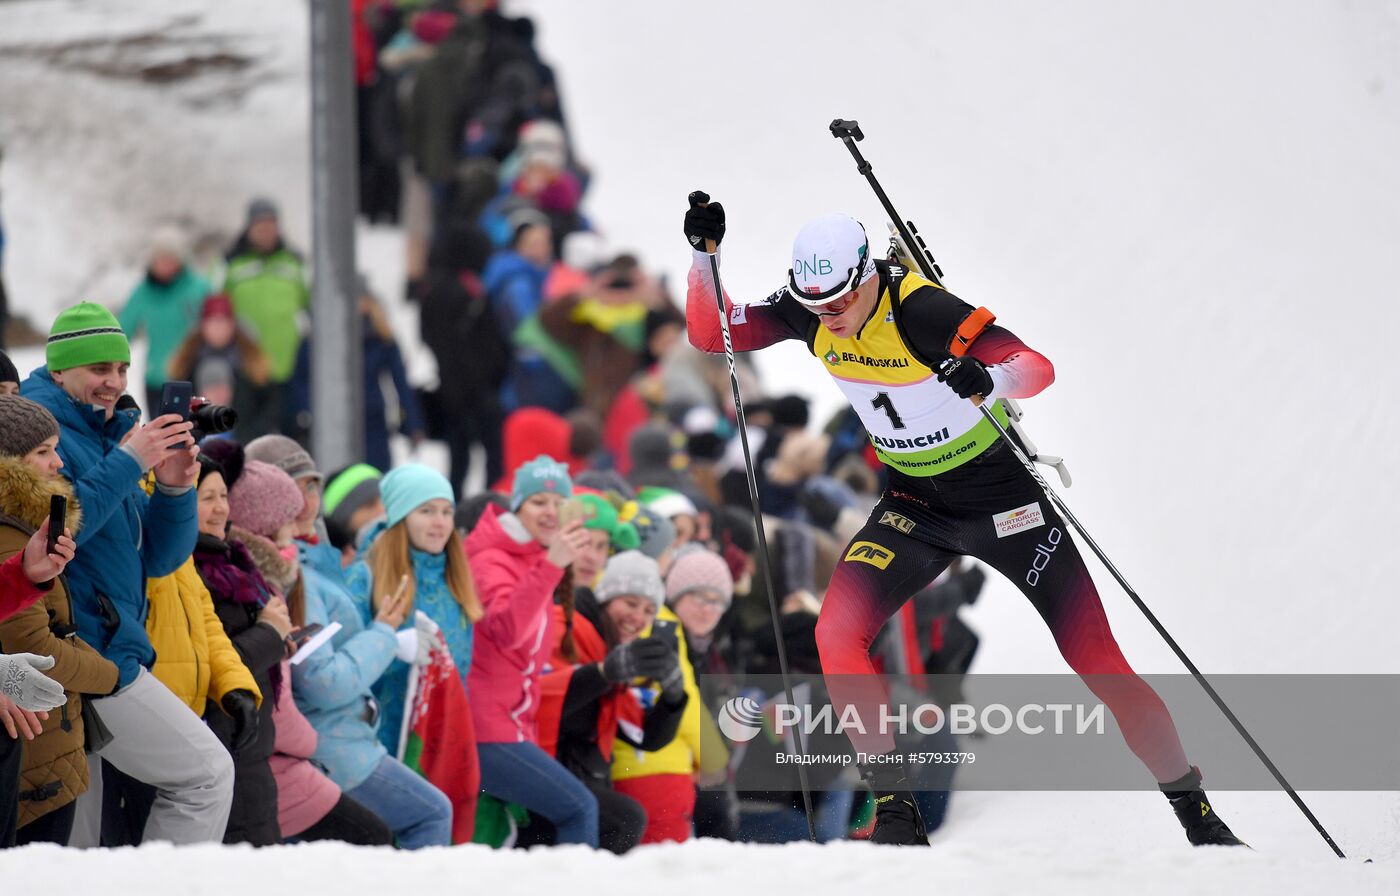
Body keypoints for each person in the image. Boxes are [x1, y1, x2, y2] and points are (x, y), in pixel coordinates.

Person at [681, 192, 1243, 847]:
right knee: (837, 635)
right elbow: (709, 331)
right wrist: (702, 258)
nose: (827, 318)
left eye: (838, 301)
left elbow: (1036, 368)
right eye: (814, 304)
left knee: (1098, 660)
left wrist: (988, 379)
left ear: (866, 274)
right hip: (918, 508)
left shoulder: (920, 309)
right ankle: (896, 810)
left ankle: (1196, 814)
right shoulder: (810, 310)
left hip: (1007, 505)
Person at [21, 302, 234, 847]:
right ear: (60, 369)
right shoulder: (37, 432)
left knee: (76, 845)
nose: (113, 382)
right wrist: (129, 461)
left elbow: (158, 559)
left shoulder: (111, 433)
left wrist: (174, 488)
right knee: (206, 774)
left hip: (103, 651)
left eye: (120, 369)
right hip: (81, 652)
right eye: (99, 370)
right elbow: (53, 528)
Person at [464, 455, 600, 847]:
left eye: (560, 504)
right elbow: (508, 630)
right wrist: (552, 566)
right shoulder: (492, 558)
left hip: (512, 725)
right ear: (517, 506)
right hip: (486, 730)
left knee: (542, 825)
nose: (551, 512)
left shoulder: (534, 559)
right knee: (579, 808)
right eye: (539, 502)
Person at [0, 394, 116, 846]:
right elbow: (35, 643)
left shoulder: (28, 525)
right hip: (37, 735)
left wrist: (25, 575)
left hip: (47, 733)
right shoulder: (11, 531)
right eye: (43, 452)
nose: (58, 462)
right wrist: (111, 674)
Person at [533, 550, 688, 853]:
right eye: (630, 604)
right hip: (539, 777)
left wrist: (672, 696)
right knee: (624, 818)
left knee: (625, 817)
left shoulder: (613, 647)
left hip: (582, 779)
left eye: (648, 610)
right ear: (605, 599)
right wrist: (603, 673)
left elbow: (643, 734)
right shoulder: (565, 625)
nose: (638, 618)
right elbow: (539, 703)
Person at [344, 464, 482, 754]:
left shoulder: (455, 576)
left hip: (441, 742)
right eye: (427, 511)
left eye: (446, 512)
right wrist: (390, 647)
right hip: (381, 743)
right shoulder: (366, 576)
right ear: (400, 518)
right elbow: (342, 663)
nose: (440, 522)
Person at [612, 545, 734, 844]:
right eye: (699, 596)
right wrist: (714, 760)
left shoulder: (707, 648)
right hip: (655, 766)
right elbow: (685, 699)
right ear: (676, 593)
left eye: (717, 602)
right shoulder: (663, 627)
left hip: (653, 764)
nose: (707, 608)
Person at [222, 198, 309, 435]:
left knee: (291, 435)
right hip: (245, 367)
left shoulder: (294, 263)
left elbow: (313, 304)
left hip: (287, 367)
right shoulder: (231, 264)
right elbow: (215, 308)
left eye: (270, 225)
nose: (266, 232)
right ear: (249, 228)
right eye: (260, 226)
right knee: (247, 434)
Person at [117, 225, 210, 414]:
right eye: (161, 259)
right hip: (157, 380)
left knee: (196, 436)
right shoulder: (143, 292)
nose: (166, 264)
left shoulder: (199, 288)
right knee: (162, 438)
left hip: (193, 375)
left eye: (171, 258)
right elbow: (122, 331)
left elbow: (218, 325)